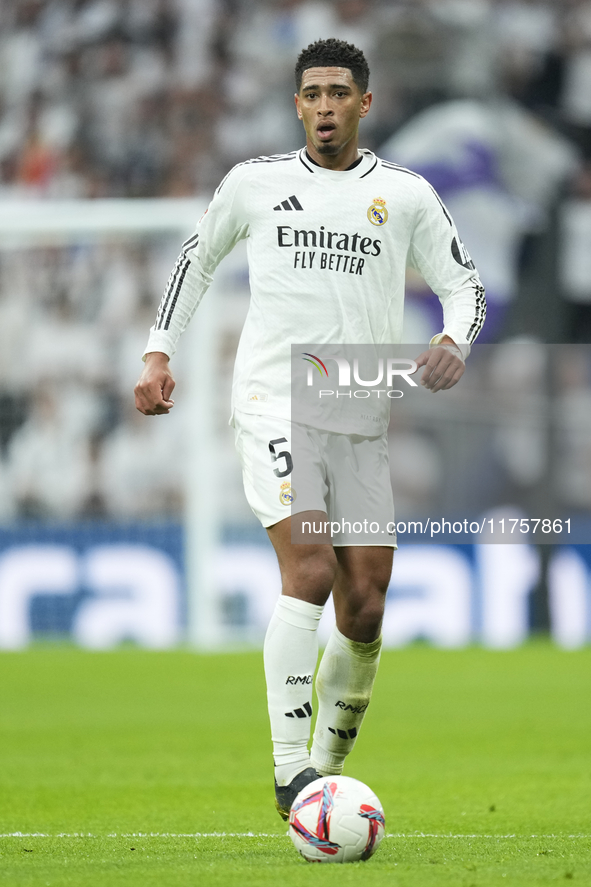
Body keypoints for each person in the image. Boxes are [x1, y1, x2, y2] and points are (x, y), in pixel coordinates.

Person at [134, 38, 486, 820]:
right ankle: (290, 768)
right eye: (312, 93)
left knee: (364, 603)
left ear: (365, 102)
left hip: (358, 413)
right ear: (296, 105)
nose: (325, 105)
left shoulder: (405, 195)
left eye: (339, 92)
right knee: (312, 568)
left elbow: (466, 287)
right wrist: (159, 351)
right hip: (273, 399)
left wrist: (451, 340)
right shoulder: (254, 184)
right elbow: (194, 261)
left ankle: (323, 774)